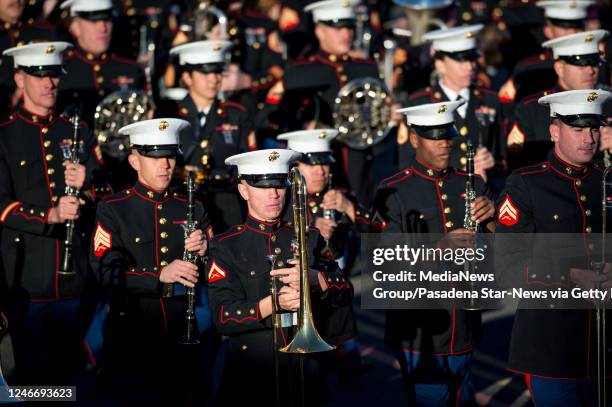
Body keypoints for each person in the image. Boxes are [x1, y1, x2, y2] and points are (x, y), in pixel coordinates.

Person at [371, 100, 496, 406]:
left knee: (463, 397)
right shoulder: (393, 190)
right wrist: (438, 249)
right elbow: (384, 264)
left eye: (448, 136)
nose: (445, 144)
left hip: (465, 322)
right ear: (414, 139)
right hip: (419, 327)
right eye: (434, 137)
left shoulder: (472, 183)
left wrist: (491, 219)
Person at [207, 148, 353, 405]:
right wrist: (273, 304)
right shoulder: (225, 245)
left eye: (279, 185)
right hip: (252, 374)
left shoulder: (310, 236)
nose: (274, 194)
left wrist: (315, 278)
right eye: (263, 187)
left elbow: (346, 291)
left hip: (306, 371)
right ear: (243, 190)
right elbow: (223, 317)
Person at [495, 88, 612, 405]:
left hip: (603, 347)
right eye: (577, 129)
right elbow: (507, 266)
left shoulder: (606, 179)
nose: (588, 138)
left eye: (593, 128)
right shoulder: (526, 184)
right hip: (551, 347)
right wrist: (571, 276)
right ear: (554, 131)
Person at [0, 41, 105, 385]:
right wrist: (49, 215)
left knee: (69, 378)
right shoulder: (5, 135)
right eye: (38, 75)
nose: (49, 83)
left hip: (74, 274)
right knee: (30, 376)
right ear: (19, 78)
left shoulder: (77, 131)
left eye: (54, 75)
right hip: (26, 275)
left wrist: (86, 186)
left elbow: (100, 195)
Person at [90, 118, 214, 405]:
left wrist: (206, 252)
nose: (165, 165)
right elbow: (105, 272)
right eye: (154, 157)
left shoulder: (193, 207)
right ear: (134, 160)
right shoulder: (113, 208)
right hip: (131, 333)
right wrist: (159, 275)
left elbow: (219, 271)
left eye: (170, 156)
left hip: (184, 328)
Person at [262, 0, 381, 205]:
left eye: (349, 28)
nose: (346, 34)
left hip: (361, 161)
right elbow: (274, 116)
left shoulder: (365, 68)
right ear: (319, 30)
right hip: (318, 163)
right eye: (337, 28)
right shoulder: (302, 71)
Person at [278, 128, 370, 383]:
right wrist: (309, 226)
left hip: (336, 285)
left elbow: (376, 230)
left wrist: (349, 207)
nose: (321, 171)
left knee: (341, 317)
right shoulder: (282, 199)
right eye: (312, 164)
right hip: (300, 284)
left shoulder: (338, 195)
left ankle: (348, 357)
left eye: (324, 164)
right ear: (295, 166)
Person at [162, 39, 255, 233]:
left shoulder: (236, 114)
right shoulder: (168, 114)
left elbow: (248, 162)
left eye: (217, 72)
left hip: (226, 207)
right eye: (205, 73)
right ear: (187, 77)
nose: (214, 79)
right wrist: (179, 171)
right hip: (180, 204)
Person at [399, 24, 506, 187]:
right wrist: (462, 173)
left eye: (472, 59)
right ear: (440, 64)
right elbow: (407, 167)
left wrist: (493, 162)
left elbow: (503, 156)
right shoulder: (418, 103)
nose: (470, 66)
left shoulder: (489, 99)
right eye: (460, 60)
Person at [507, 29, 611, 169]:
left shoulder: (608, 102)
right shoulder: (532, 109)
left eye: (594, 63)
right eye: (581, 65)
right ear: (560, 68)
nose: (591, 71)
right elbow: (520, 162)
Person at [498, 0, 594, 103]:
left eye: (578, 27)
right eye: (565, 27)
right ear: (548, 29)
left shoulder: (596, 64)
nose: (573, 32)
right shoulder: (530, 66)